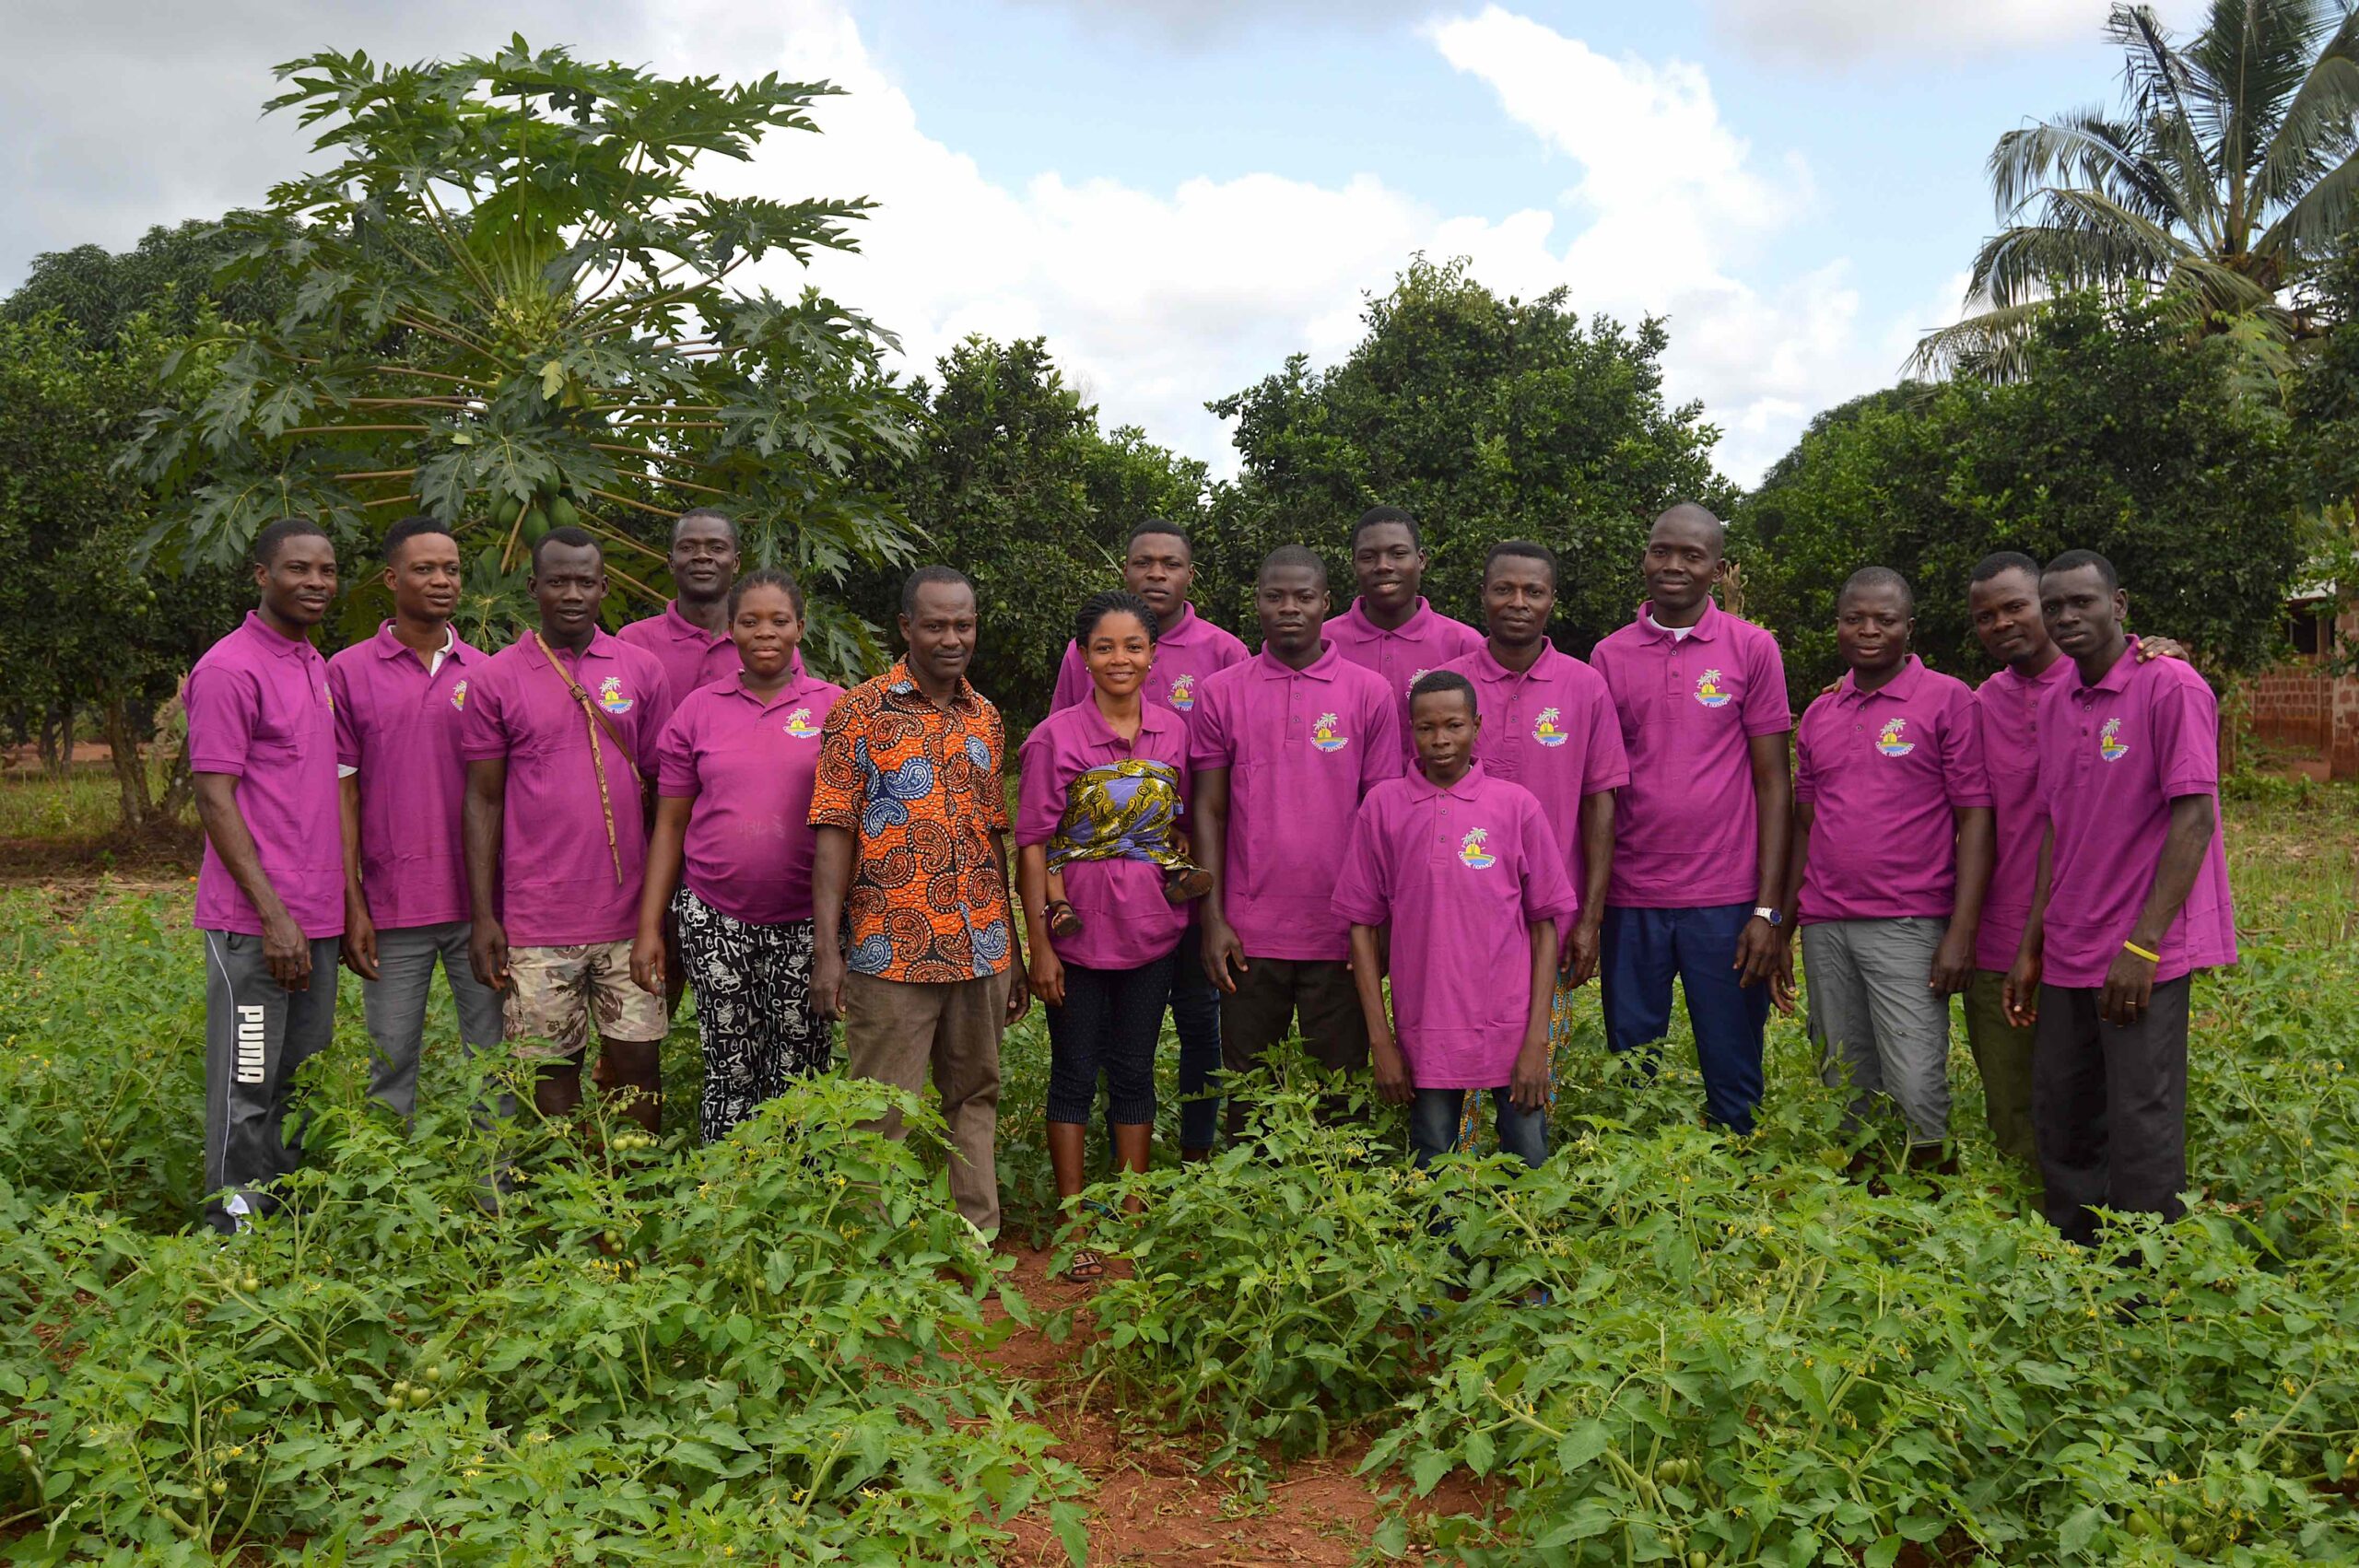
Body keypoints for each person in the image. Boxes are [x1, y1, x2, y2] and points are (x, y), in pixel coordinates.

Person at [2007, 550, 2236, 1246]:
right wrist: (2032, 945)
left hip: (2142, 947)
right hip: (2071, 939)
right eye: (2055, 607)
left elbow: (2194, 819)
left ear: (2120, 604)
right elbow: (2057, 828)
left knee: (2140, 1112)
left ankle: (2144, 1272)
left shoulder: (2171, 687)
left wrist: (2143, 944)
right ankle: (2076, 1254)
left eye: (2083, 602)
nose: (2068, 616)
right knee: (2064, 1106)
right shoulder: (2055, 702)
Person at [808, 566, 1030, 1236]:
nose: (951, 637)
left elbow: (993, 838)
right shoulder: (859, 711)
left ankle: (975, 1237)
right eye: (935, 624)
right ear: (906, 627)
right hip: (889, 949)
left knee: (975, 1098)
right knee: (880, 1111)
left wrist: (1013, 946)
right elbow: (833, 833)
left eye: (963, 624)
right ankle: (875, 1259)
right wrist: (827, 951)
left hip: (979, 944)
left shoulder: (985, 717)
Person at [1964, 552, 2188, 1171]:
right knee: (2034, 1105)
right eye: (1985, 616)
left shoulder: (2135, 679)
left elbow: (2185, 812)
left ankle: (2128, 1235)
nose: (2003, 624)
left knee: (2122, 1101)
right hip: (2015, 929)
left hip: (2105, 932)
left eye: (2018, 607)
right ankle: (2047, 1239)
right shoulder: (1981, 703)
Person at [462, 528, 675, 1133]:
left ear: (604, 587)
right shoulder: (496, 679)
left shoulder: (641, 670)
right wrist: (485, 916)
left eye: (586, 581)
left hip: (629, 922)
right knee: (549, 1077)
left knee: (639, 1069)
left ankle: (634, 1205)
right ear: (534, 588)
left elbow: (666, 795)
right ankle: (570, 1214)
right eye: (558, 581)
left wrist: (662, 911)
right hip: (535, 923)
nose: (573, 593)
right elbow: (481, 801)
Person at [1779, 568, 1992, 1166]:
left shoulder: (1949, 700)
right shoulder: (1821, 712)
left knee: (1915, 1076)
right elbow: (1806, 825)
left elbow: (1975, 818)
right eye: (1855, 619)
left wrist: (1961, 932)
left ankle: (1931, 1196)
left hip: (1908, 921)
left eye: (1885, 620)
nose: (1869, 630)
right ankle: (1867, 1200)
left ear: (1909, 628)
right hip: (1826, 923)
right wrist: (1784, 921)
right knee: (1843, 1072)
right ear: (1839, 626)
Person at [1590, 503, 1791, 1132]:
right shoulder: (1608, 655)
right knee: (1632, 1068)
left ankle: (1733, 1199)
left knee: (1733, 1073)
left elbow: (1773, 783)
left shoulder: (1753, 648)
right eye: (1661, 551)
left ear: (1716, 568)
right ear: (1644, 557)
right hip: (1633, 897)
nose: (1673, 565)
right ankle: (1642, 1200)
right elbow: (1600, 787)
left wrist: (1768, 910)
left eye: (1692, 555)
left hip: (1725, 900)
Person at [1048, 519, 1245, 1160]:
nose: (1156, 573)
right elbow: (1059, 765)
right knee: (1101, 1031)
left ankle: (1195, 1151)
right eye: (1143, 562)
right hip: (1101, 880)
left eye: (1170, 563)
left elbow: (1223, 780)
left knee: (1197, 1017)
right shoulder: (1090, 647)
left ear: (1190, 575)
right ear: (1126, 570)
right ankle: (1108, 1148)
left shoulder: (1223, 652)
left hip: (1183, 873)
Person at [1020, 591, 1198, 1280]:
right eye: (1104, 647)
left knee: (1134, 1067)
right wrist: (1040, 945)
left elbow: (1179, 825)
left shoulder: (1176, 733)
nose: (1119, 658)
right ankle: (1073, 1221)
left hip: (1153, 928)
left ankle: (1130, 1213)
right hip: (1076, 933)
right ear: (1083, 656)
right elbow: (1034, 845)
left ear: (1154, 655)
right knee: (1073, 1070)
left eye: (1133, 646)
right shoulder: (1055, 738)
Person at [630, 569, 845, 1142]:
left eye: (779, 620)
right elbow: (670, 824)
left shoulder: (837, 710)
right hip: (713, 917)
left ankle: (799, 1197)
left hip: (806, 922)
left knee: (800, 1068)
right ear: (731, 631)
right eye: (750, 621)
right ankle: (727, 1194)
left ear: (801, 627)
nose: (765, 632)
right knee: (729, 1064)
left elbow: (853, 826)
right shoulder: (698, 711)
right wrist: (651, 926)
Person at [1193, 545, 1401, 1133]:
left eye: (1304, 597)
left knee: (1343, 1091)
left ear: (1326, 604)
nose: (1289, 608)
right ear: (1257, 603)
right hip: (1248, 934)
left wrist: (1379, 924)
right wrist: (1213, 919)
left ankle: (1341, 1212)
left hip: (1340, 933)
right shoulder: (1221, 692)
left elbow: (1381, 816)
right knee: (1247, 1095)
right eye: (1275, 596)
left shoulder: (1369, 693)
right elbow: (1208, 810)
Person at [1335, 672, 1578, 1170]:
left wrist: (1538, 1040)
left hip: (1511, 1030)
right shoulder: (1382, 808)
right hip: (1426, 1033)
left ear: (1477, 725)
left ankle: (1524, 1250)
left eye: (1454, 725)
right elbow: (1361, 925)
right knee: (1435, 1168)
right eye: (1426, 728)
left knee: (1529, 1165)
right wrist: (1382, 1042)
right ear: (1411, 730)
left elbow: (1544, 926)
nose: (1440, 740)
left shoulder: (1516, 807)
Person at [1439, 540, 1627, 1149]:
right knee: (1455, 1066)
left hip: (1550, 917)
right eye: (1504, 589)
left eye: (1534, 592)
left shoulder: (1585, 686)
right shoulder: (1449, 686)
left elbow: (1601, 803)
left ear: (1552, 602)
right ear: (1483, 596)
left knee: (1534, 1068)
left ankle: (1524, 1201)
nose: (1518, 603)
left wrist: (1590, 919)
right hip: (1459, 918)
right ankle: (1458, 1192)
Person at [188, 518, 344, 1234]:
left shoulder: (312, 661)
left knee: (296, 1079)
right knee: (246, 1078)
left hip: (316, 922)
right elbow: (215, 801)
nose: (315, 582)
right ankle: (231, 1229)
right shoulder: (230, 668)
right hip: (258, 929)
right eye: (297, 569)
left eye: (326, 570)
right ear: (261, 575)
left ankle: (278, 1217)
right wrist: (273, 916)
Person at [326, 515, 502, 1125]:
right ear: (391, 578)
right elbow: (342, 796)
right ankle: (394, 1204)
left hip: (479, 909)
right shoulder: (346, 673)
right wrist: (352, 902)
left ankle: (494, 1194)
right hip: (393, 908)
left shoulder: (488, 673)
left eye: (451, 569)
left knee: (495, 1064)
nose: (441, 580)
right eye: (424, 569)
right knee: (391, 1064)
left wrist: (497, 908)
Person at [1326, 504, 1482, 768]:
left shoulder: (1464, 645)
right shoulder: (1324, 644)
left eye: (1398, 554)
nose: (1383, 566)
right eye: (1368, 557)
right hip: (1345, 806)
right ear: (1353, 564)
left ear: (1421, 560)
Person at [617, 508, 755, 696]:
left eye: (717, 548)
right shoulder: (633, 642)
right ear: (671, 562)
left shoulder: (766, 641)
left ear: (736, 562)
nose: (702, 556)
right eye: (687, 548)